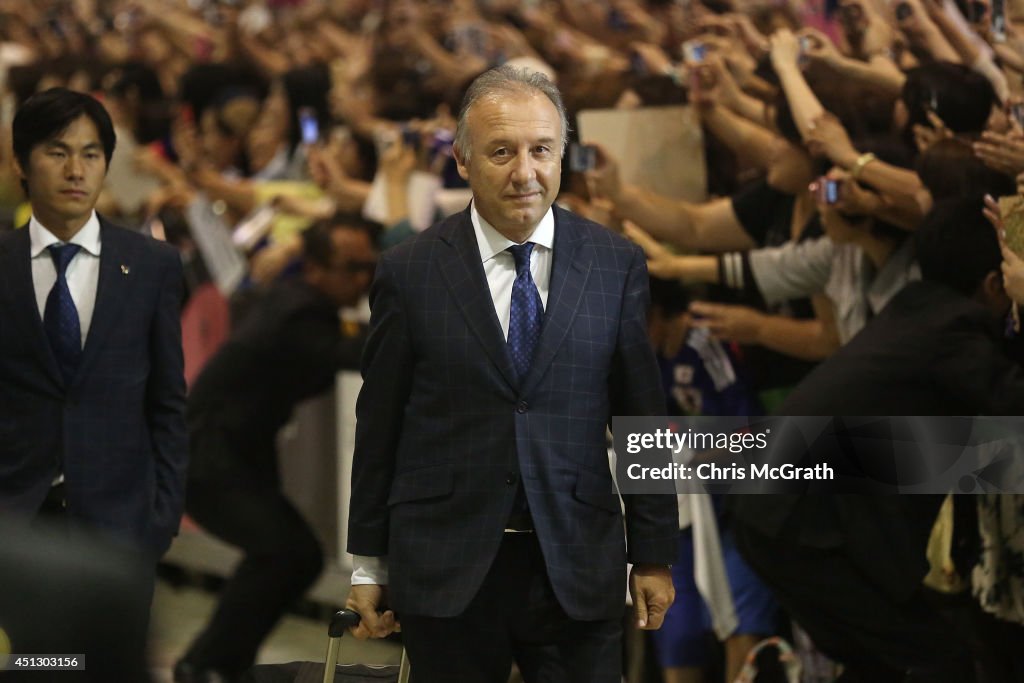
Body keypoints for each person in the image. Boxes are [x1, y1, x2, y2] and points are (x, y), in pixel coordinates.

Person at [344, 65, 677, 683]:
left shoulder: (616, 263)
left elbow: (642, 421)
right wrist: (369, 564)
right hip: (446, 564)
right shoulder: (409, 271)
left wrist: (654, 554)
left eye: (541, 150)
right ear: (464, 162)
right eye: (502, 152)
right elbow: (379, 422)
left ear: (561, 156)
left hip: (575, 562)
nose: (525, 172)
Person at [732, 197, 1024, 683]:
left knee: (882, 662)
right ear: (995, 284)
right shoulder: (956, 330)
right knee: (934, 660)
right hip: (804, 526)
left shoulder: (915, 307)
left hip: (776, 511)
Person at [174, 216, 378, 682]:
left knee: (286, 554)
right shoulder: (301, 310)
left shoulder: (301, 302)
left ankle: (213, 663)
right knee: (288, 553)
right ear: (316, 269)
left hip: (232, 456)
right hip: (210, 459)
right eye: (352, 267)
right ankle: (207, 665)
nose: (363, 278)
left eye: (370, 266)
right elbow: (351, 354)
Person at [0, 87, 187, 559]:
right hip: (15, 520)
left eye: (91, 154)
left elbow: (167, 403)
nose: (75, 171)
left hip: (120, 527)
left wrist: (162, 517)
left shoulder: (152, 265)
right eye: (56, 153)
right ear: (21, 162)